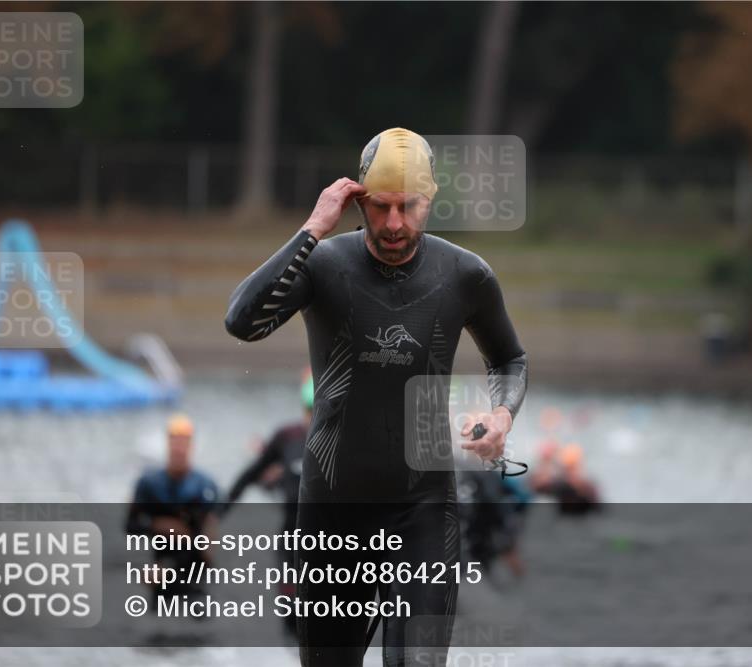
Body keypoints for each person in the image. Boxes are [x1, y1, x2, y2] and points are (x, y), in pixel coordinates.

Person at [225, 127, 528, 667]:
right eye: (381, 207)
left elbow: (510, 359)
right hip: (333, 509)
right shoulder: (322, 265)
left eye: (408, 207)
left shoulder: (466, 276)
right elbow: (241, 322)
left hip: (424, 508)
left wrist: (502, 414)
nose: (394, 224)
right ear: (359, 200)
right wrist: (312, 230)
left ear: (429, 201)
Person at [224, 372, 312, 635]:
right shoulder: (287, 436)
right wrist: (220, 510)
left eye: (316, 410)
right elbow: (250, 474)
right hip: (291, 534)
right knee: (291, 612)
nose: (312, 418)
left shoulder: (343, 439)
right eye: (308, 411)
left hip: (331, 538)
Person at [125, 413, 220, 600]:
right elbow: (129, 526)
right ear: (167, 443)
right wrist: (158, 526)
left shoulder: (205, 485)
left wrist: (207, 543)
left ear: (191, 445)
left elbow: (211, 531)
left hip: (195, 572)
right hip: (161, 568)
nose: (179, 448)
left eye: (183, 442)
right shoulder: (149, 484)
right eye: (175, 441)